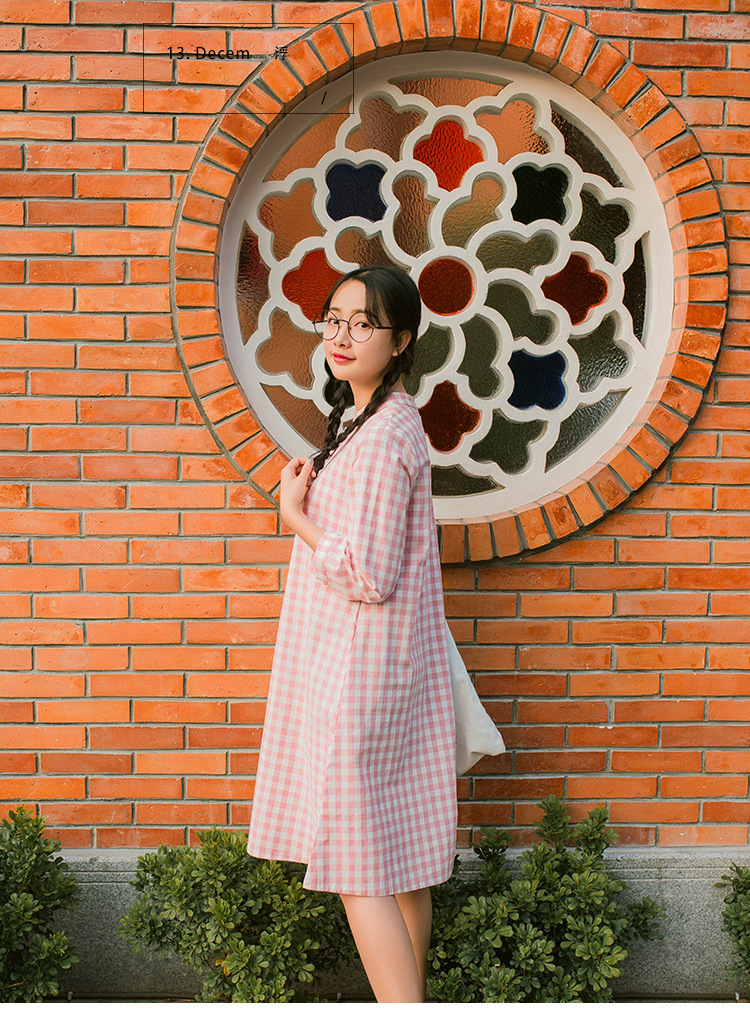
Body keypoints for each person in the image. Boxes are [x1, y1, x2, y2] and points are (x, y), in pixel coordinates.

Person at [246, 265, 458, 1003]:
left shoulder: (382, 434)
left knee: (360, 864)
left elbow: (369, 574)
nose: (341, 335)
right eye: (333, 319)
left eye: (362, 324)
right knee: (397, 863)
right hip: (373, 668)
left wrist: (295, 515)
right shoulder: (370, 421)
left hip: (358, 677)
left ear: (400, 342)